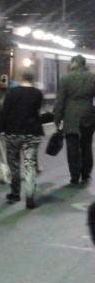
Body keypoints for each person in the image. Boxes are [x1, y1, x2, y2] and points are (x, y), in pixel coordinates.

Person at [0, 70, 44, 208]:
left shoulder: (11, 93)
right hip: (31, 133)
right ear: (33, 79)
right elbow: (37, 111)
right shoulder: (37, 93)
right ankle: (29, 195)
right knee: (30, 164)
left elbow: (4, 112)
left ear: (20, 78)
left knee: (14, 164)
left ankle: (15, 193)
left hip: (13, 133)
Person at [53, 54, 95, 185]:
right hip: (88, 115)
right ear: (84, 64)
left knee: (72, 148)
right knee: (87, 145)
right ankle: (86, 173)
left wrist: (57, 118)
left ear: (73, 64)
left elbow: (61, 101)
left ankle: (74, 176)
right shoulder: (92, 78)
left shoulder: (65, 79)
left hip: (71, 116)